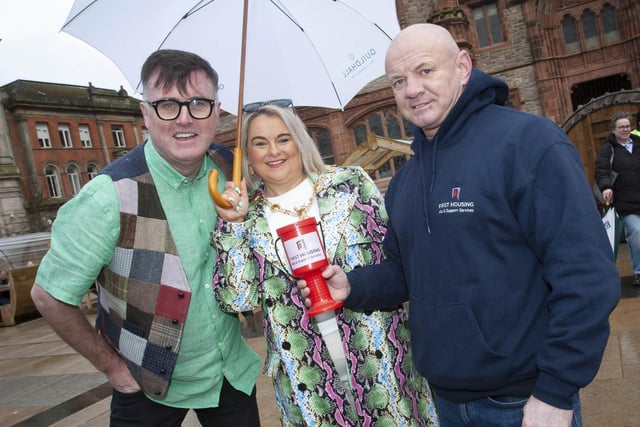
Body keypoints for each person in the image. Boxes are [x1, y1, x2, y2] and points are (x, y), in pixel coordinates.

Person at [299, 23, 620, 427]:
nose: (411, 89)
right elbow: (403, 274)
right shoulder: (406, 180)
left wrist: (556, 391)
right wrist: (352, 286)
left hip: (522, 402)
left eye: (425, 71)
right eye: (399, 80)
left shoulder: (529, 144)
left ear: (463, 66)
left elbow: (587, 277)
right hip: (445, 402)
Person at [30, 49, 262, 426]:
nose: (184, 118)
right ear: (145, 114)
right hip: (143, 386)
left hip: (229, 375)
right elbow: (49, 295)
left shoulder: (228, 165)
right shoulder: (107, 195)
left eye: (198, 104)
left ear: (217, 111)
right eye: (167, 105)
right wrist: (112, 368)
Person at [211, 104, 439, 426]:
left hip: (383, 359)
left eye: (283, 139)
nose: (273, 151)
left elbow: (398, 262)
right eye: (260, 143)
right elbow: (238, 300)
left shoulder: (350, 185)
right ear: (247, 155)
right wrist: (233, 226)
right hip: (306, 379)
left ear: (300, 142)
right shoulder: (246, 219)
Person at [596, 112, 640, 285]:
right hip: (625, 201)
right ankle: (638, 271)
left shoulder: (637, 144)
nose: (625, 129)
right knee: (636, 233)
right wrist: (606, 186)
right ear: (613, 130)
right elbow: (602, 170)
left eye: (628, 126)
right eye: (621, 127)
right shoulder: (609, 149)